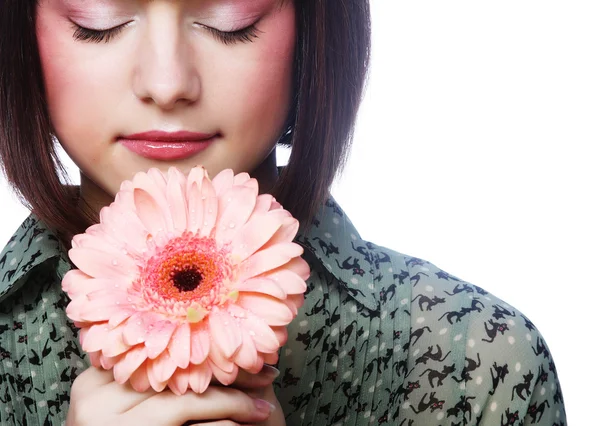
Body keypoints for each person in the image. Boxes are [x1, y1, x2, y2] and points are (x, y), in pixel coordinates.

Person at [0, 0, 567, 425]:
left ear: (314, 30)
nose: (167, 83)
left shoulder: (473, 357)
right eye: (98, 17)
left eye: (230, 17)